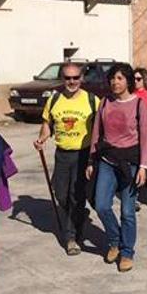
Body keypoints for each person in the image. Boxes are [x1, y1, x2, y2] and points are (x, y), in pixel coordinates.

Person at [86, 63, 147, 272]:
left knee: (127, 211)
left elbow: (145, 137)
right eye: (113, 78)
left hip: (130, 164)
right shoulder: (105, 102)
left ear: (129, 81)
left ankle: (126, 252)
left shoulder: (138, 104)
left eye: (120, 78)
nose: (115, 82)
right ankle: (114, 239)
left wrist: (143, 166)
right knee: (101, 205)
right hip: (107, 161)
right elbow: (96, 132)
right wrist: (90, 160)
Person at [33, 63, 100, 256]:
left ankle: (71, 237)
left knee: (75, 195)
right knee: (61, 194)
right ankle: (77, 217)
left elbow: (101, 125)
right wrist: (42, 138)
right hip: (62, 154)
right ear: (62, 79)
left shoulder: (91, 100)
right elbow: (48, 124)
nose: (72, 82)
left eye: (75, 78)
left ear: (82, 78)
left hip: (83, 154)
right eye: (68, 78)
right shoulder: (54, 99)